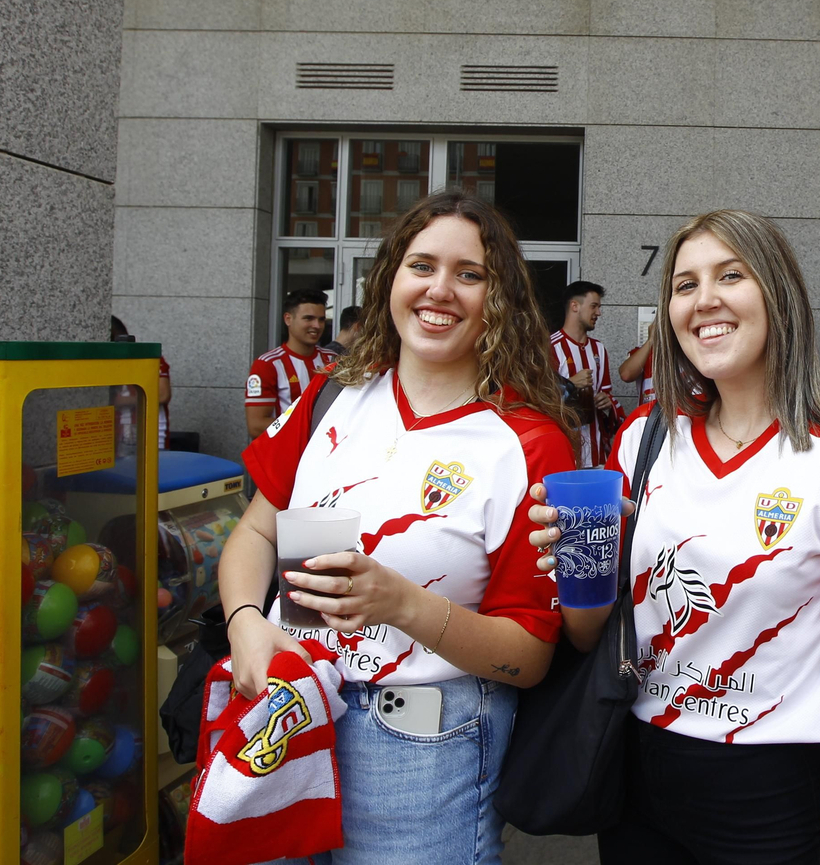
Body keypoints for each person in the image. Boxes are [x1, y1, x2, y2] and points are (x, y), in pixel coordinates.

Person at [527, 210, 820, 865]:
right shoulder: (643, 439)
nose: (704, 299)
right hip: (633, 770)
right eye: (684, 285)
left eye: (730, 276)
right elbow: (586, 634)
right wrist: (574, 564)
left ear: (778, 293)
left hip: (770, 789)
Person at [221, 192, 578, 865]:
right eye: (422, 265)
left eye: (469, 274)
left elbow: (528, 658)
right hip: (286, 715)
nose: (440, 289)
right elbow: (255, 534)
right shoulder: (333, 395)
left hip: (420, 751)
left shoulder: (528, 442)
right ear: (390, 279)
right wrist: (244, 620)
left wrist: (402, 604)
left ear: (498, 298)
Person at [245, 288, 338, 441]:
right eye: (308, 318)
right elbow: (256, 425)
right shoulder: (268, 364)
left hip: (325, 455)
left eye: (321, 319)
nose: (317, 325)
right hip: (287, 458)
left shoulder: (333, 360)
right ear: (288, 319)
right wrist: (307, 427)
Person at [551, 280, 622, 466]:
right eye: (594, 306)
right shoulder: (550, 347)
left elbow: (608, 395)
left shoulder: (599, 348)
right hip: (564, 456)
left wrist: (607, 403)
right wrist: (570, 383)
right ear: (575, 306)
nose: (598, 312)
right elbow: (538, 399)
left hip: (598, 455)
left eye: (599, 307)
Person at [110, 315, 172, 451]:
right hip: (113, 434)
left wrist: (118, 401)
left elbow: (162, 395)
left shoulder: (148, 358)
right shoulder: (98, 363)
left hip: (148, 435)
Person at [618, 319, 657, 407]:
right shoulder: (643, 351)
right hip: (649, 416)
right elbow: (626, 374)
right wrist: (651, 340)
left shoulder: (688, 351)